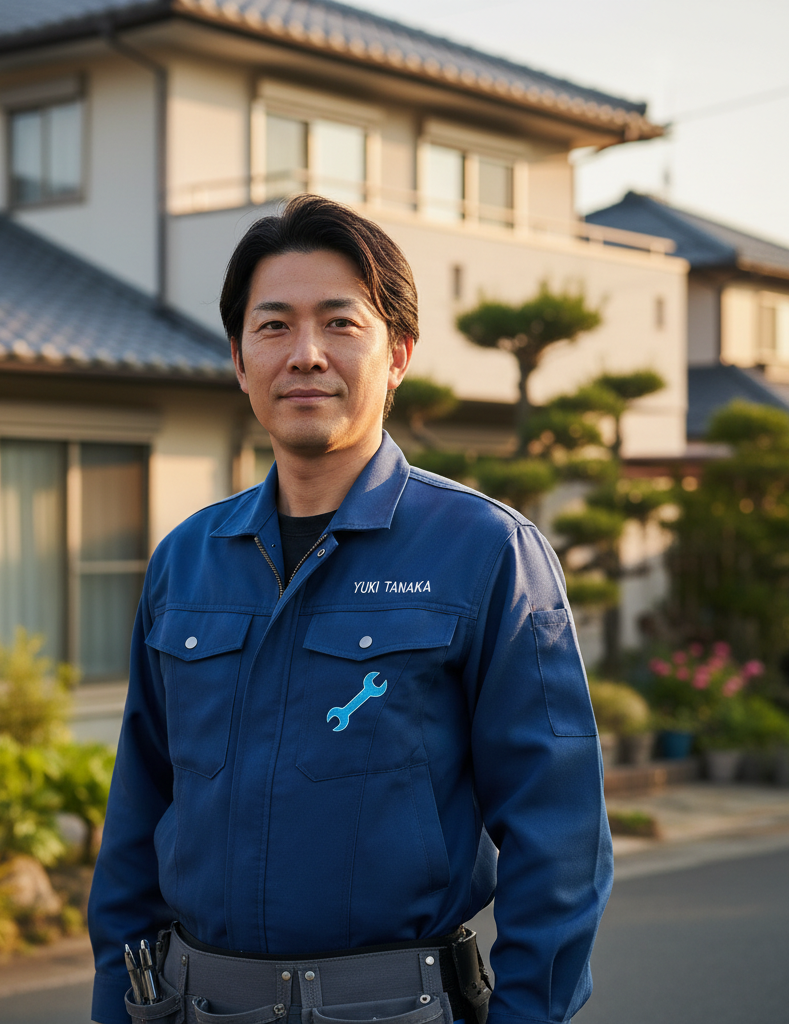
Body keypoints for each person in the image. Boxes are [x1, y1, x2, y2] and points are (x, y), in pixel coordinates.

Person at [89, 194, 612, 1024]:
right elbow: (137, 818)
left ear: (398, 353)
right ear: (239, 359)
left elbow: (560, 834)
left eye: (340, 323)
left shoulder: (485, 551)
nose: (305, 355)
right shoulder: (186, 561)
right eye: (273, 327)